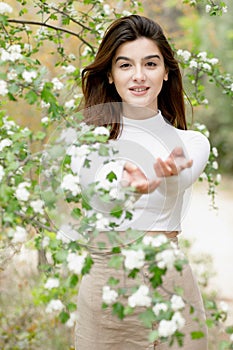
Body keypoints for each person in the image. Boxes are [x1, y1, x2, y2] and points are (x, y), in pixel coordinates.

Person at [75, 15, 210, 349]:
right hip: (108, 286)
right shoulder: (86, 143)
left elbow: (181, 178)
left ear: (166, 72)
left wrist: (165, 178)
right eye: (125, 65)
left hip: (172, 284)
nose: (138, 76)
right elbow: (95, 186)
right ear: (109, 74)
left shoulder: (192, 142)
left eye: (150, 63)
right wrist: (125, 182)